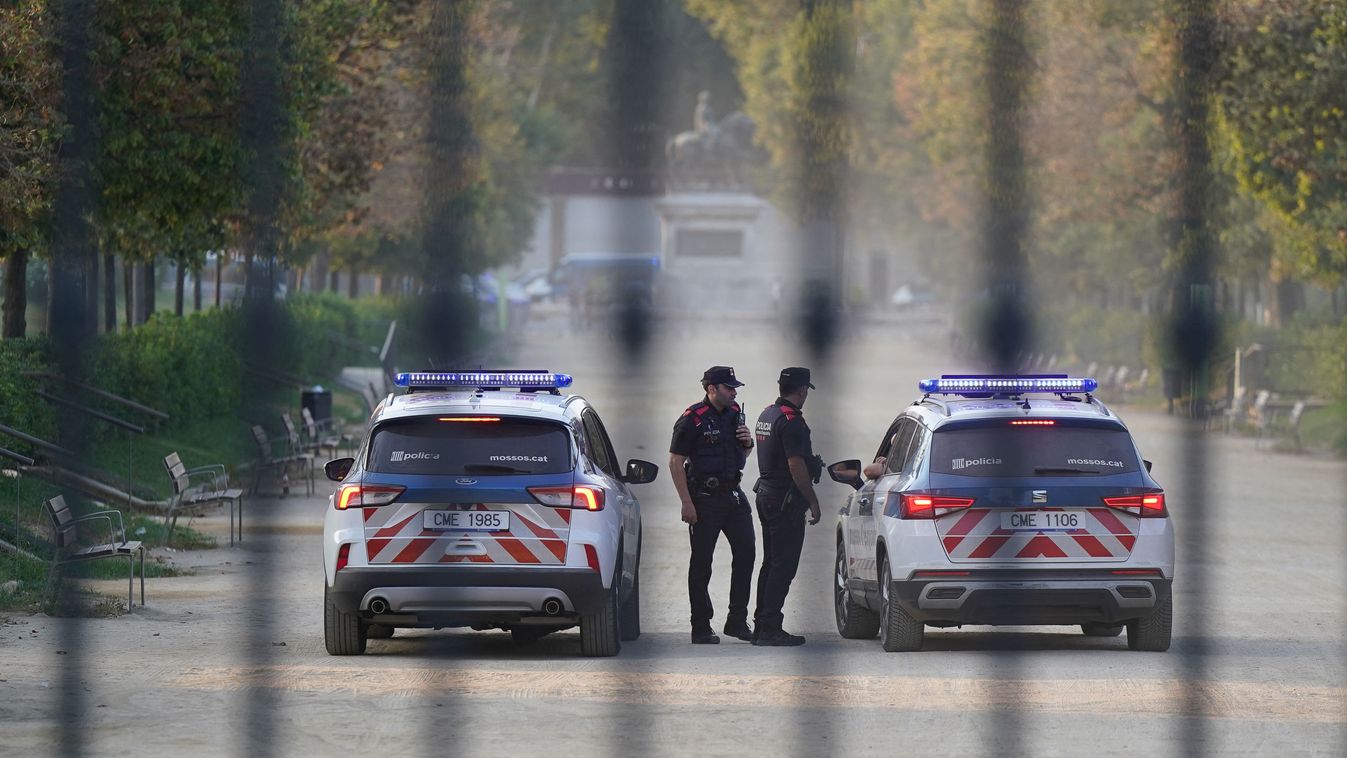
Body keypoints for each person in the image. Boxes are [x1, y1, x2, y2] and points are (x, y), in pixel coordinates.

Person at [669, 366, 756, 645]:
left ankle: (737, 620)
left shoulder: (734, 416)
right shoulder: (692, 419)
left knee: (747, 553)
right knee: (702, 563)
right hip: (704, 500)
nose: (733, 392)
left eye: (734, 388)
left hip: (733, 495)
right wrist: (686, 503)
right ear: (711, 389)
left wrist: (748, 443)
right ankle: (701, 625)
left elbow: (740, 457)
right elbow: (675, 462)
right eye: (728, 388)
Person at [750, 366, 824, 646]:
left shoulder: (767, 414)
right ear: (803, 390)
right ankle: (769, 628)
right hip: (784, 501)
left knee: (770, 563)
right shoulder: (793, 421)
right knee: (784, 567)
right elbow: (796, 464)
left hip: (766, 496)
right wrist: (813, 501)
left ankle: (761, 625)